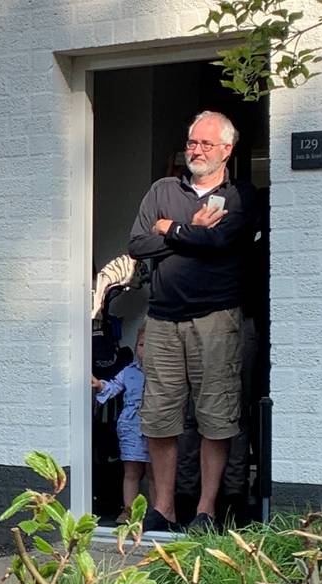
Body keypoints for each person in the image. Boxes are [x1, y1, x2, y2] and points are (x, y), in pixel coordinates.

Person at [128, 110, 258, 533]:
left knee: (215, 416)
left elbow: (221, 241)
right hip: (163, 320)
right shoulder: (163, 189)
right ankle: (163, 508)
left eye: (205, 144)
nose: (195, 150)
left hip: (216, 320)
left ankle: (205, 510)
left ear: (226, 150)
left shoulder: (239, 196)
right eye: (191, 142)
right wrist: (188, 229)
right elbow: (137, 244)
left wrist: (170, 230)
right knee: (160, 417)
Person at [91, 329, 149, 524]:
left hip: (154, 426)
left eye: (151, 346)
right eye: (141, 345)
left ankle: (156, 512)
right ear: (135, 348)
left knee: (155, 473)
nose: (145, 350)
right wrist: (99, 385)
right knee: (131, 471)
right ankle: (129, 510)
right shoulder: (129, 371)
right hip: (131, 428)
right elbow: (113, 386)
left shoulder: (164, 373)